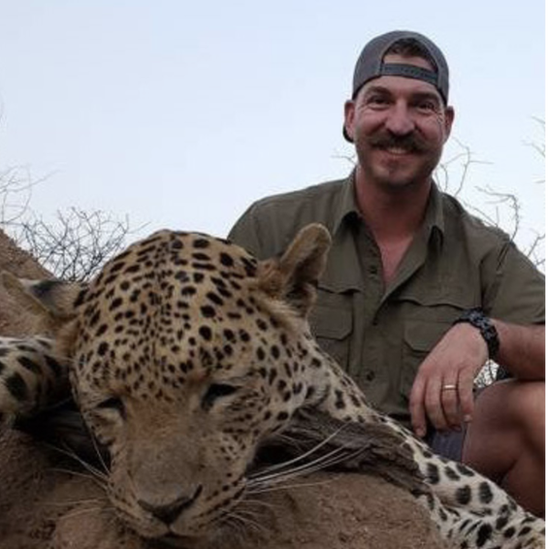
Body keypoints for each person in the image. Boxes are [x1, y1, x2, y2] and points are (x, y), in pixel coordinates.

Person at [228, 30, 547, 518]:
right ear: (351, 115)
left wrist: (485, 331)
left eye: (422, 105)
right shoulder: (270, 225)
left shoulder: (485, 250)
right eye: (380, 100)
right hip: (293, 454)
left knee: (539, 406)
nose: (399, 124)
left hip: (429, 465)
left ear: (446, 123)